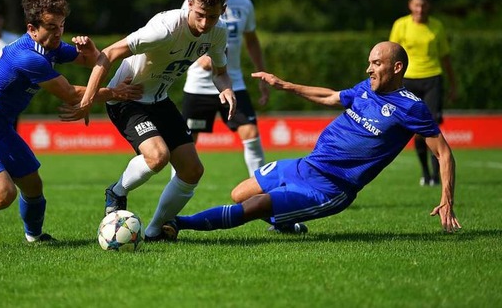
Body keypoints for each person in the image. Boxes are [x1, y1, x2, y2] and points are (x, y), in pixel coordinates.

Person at [164, 41, 461, 239]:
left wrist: (446, 199)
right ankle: (287, 221)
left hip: (331, 187)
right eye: (369, 63)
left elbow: (444, 154)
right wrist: (285, 85)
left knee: (254, 207)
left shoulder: (411, 107)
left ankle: (178, 224)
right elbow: (331, 96)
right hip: (306, 165)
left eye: (376, 63)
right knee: (239, 193)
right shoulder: (366, 88)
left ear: (396, 68)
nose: (369, 69)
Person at [0, 0, 142, 247]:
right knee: (3, 195)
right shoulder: (28, 57)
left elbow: (93, 62)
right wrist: (115, 93)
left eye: (61, 26)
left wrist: (91, 51)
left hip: (0, 129)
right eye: (51, 27)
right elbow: (70, 94)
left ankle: (34, 237)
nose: (58, 33)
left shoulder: (52, 46)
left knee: (33, 185)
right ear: (32, 29)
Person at [60, 0, 236, 241]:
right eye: (200, 15)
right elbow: (108, 53)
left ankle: (155, 231)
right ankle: (117, 192)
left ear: (222, 10)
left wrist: (226, 88)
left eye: (212, 17)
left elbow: (220, 72)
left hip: (159, 100)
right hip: (127, 99)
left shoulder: (218, 32)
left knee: (192, 171)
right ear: (190, 4)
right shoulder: (165, 28)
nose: (204, 24)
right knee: (158, 156)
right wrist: (88, 101)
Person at [181, 0, 269, 177]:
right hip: (198, 85)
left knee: (250, 132)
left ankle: (260, 188)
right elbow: (181, 38)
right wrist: (199, 57)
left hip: (233, 82)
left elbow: (251, 40)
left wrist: (263, 73)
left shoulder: (244, 4)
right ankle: (177, 190)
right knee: (186, 143)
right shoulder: (191, 3)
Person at [389, 0, 457, 186]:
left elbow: (445, 57)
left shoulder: (437, 27)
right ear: (411, 5)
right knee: (417, 130)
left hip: (433, 78)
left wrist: (453, 84)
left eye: (423, 5)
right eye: (416, 5)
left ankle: (437, 176)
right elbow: (390, 55)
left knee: (432, 127)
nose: (420, 9)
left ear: (428, 6)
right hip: (408, 80)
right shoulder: (400, 25)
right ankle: (425, 173)